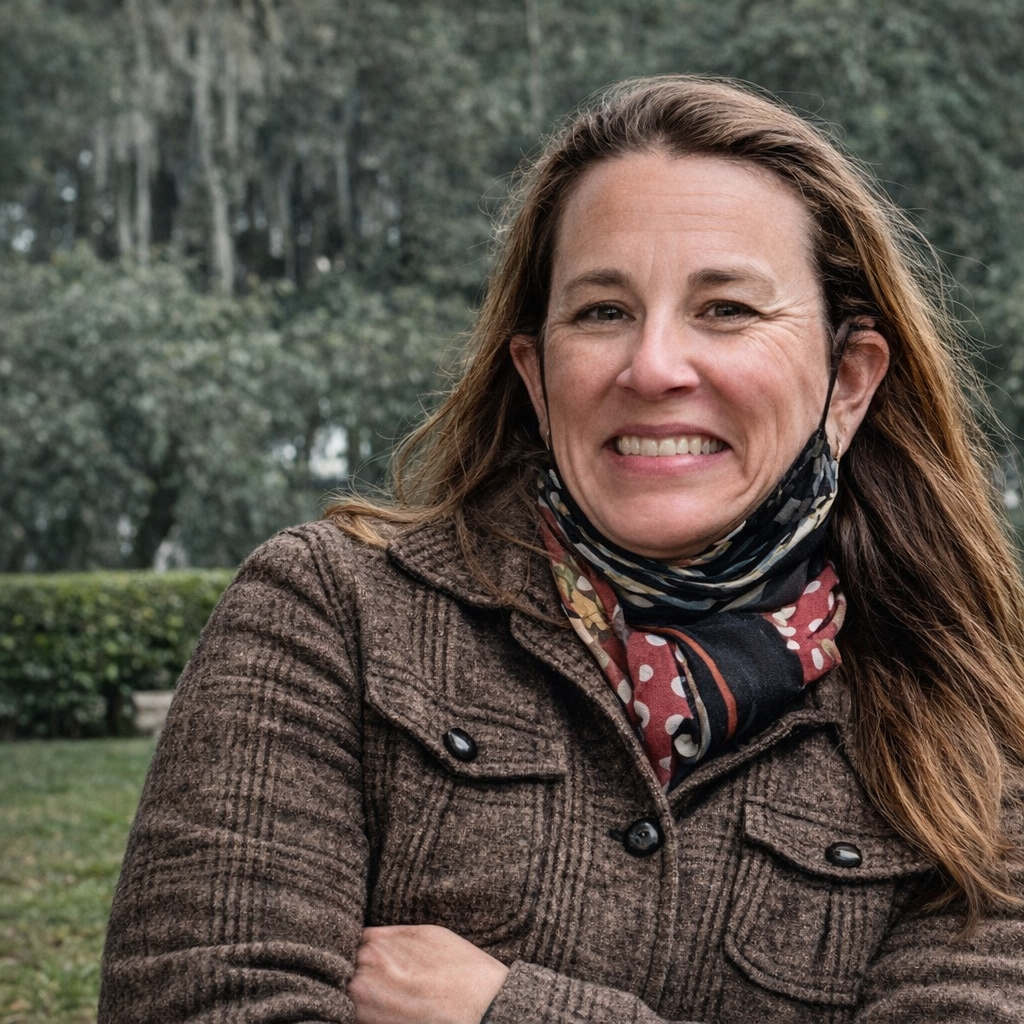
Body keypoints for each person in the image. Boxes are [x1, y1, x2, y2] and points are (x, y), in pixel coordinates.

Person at [99, 76, 1024, 1024]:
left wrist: (509, 1012)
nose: (654, 367)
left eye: (727, 310)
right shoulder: (329, 615)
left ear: (849, 381)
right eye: (601, 313)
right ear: (537, 378)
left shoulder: (974, 715)